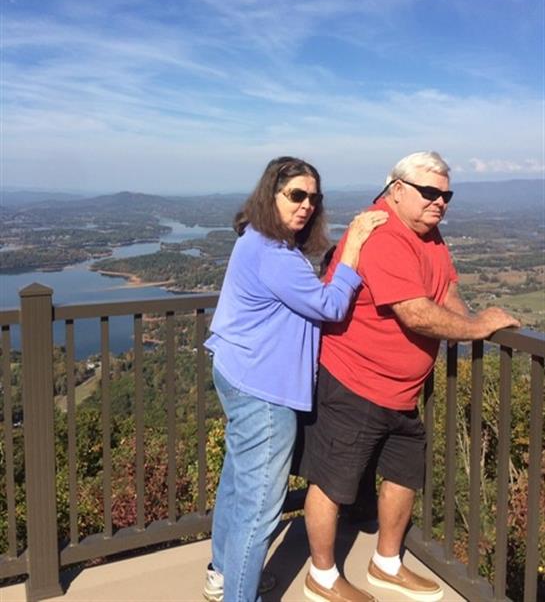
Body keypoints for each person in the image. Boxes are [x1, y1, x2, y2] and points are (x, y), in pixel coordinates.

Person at [301, 151, 520, 602]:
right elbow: (415, 312)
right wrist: (477, 328)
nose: (439, 202)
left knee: (403, 475)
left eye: (446, 195)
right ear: (397, 189)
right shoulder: (383, 233)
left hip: (402, 392)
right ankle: (320, 577)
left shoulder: (430, 235)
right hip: (354, 383)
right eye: (429, 192)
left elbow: (446, 289)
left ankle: (386, 564)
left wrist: (468, 319)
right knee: (332, 484)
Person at [202, 156, 388, 602]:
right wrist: (356, 246)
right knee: (260, 511)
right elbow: (330, 306)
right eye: (296, 195)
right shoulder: (273, 255)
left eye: (313, 198)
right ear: (273, 195)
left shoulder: (256, 237)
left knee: (236, 482)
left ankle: (222, 574)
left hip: (236, 371)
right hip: (264, 390)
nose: (306, 206)